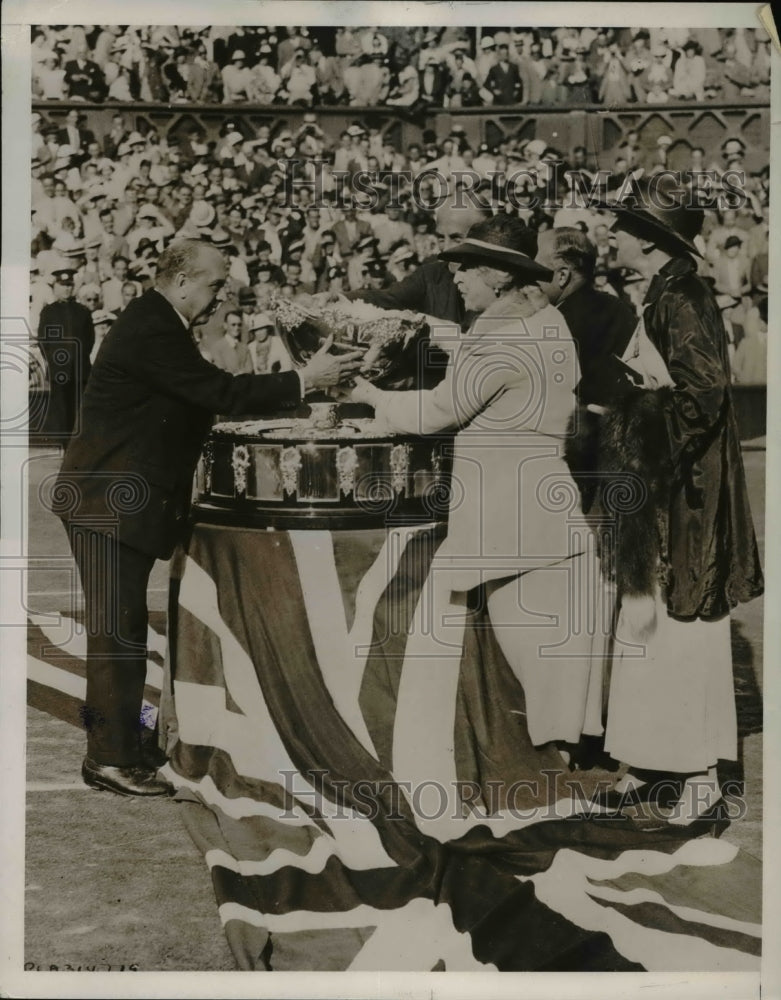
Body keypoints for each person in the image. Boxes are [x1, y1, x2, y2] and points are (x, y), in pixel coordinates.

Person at [54, 239, 362, 797]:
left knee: (118, 632)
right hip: (106, 501)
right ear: (181, 281)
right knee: (115, 636)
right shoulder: (153, 325)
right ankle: (108, 757)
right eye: (215, 285)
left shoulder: (158, 321)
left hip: (113, 498)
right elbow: (215, 391)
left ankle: (121, 744)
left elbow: (195, 401)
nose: (221, 297)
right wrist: (303, 382)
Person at [351, 216, 606, 839]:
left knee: (523, 666)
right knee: (545, 667)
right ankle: (552, 773)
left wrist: (368, 394)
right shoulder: (546, 323)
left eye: (466, 267)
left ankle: (546, 786)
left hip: (508, 516)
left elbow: (438, 412)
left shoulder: (499, 339)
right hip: (543, 508)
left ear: (498, 275)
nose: (456, 277)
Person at [587, 178, 764, 824]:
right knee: (649, 625)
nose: (615, 234)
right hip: (665, 487)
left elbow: (705, 393)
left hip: (682, 495)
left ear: (648, 241)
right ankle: (652, 764)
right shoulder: (667, 290)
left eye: (625, 227)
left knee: (683, 631)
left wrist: (648, 435)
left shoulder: (683, 296)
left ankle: (697, 779)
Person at [35, 267, 95, 441]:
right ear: (56, 287)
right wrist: (55, 362)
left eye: (70, 285)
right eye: (63, 285)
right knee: (61, 410)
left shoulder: (83, 311)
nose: (67, 289)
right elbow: (43, 341)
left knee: (79, 409)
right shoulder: (48, 312)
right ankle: (63, 446)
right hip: (59, 370)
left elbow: (89, 340)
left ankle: (78, 448)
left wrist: (79, 359)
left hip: (80, 370)